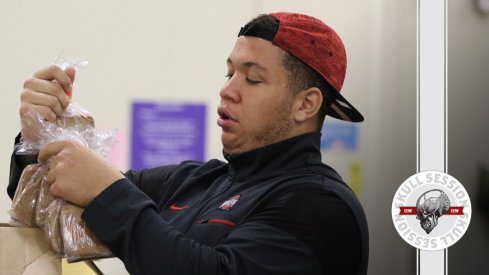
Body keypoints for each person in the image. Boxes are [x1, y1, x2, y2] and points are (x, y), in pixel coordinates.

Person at [8, 12, 369, 275]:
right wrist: (40, 136)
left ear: (305, 104)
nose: (227, 90)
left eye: (253, 79)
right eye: (230, 73)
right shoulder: (194, 181)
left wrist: (110, 193)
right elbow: (53, 206)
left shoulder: (320, 206)